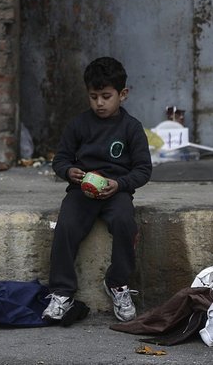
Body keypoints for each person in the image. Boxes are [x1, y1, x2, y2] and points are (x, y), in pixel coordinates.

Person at [43, 56, 153, 323]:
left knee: (126, 222)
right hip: (82, 192)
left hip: (116, 193)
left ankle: (117, 283)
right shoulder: (79, 125)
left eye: (106, 96)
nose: (99, 103)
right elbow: (60, 160)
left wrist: (120, 184)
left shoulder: (131, 128)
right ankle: (61, 291)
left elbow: (143, 170)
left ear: (122, 94)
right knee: (66, 226)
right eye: (94, 97)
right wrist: (69, 172)